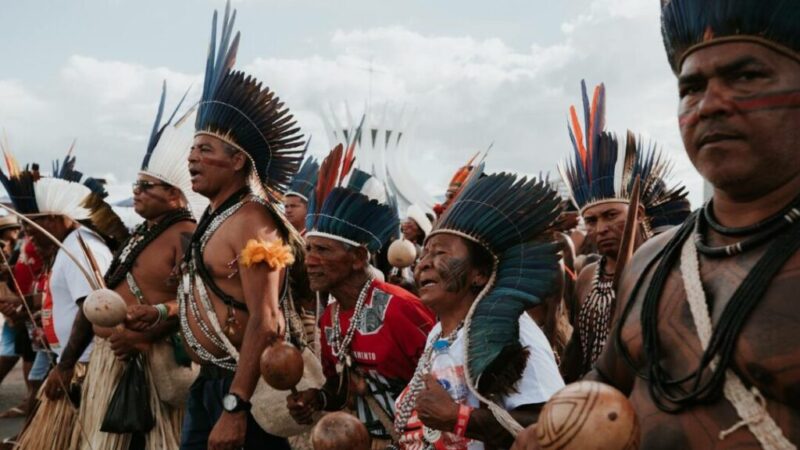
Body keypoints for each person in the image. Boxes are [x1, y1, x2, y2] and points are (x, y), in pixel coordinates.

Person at [513, 1, 800, 449]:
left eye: (745, 77)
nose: (710, 105)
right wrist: (549, 430)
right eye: (691, 88)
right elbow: (608, 380)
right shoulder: (653, 261)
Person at [178, 3, 307, 449]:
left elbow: (267, 321)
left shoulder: (253, 221)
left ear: (237, 161)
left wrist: (236, 407)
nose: (192, 157)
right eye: (193, 148)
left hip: (242, 389)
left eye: (205, 148)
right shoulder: (217, 215)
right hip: (211, 383)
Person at [393, 166, 565, 450]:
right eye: (424, 253)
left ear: (480, 274)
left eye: (440, 253)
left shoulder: (509, 328)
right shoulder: (437, 333)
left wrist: (458, 418)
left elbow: (551, 421)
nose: (423, 263)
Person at [71, 85, 203, 450]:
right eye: (136, 185)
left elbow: (198, 305)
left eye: (147, 185)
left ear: (176, 193)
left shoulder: (187, 235)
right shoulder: (142, 233)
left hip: (153, 362)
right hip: (111, 361)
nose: (138, 191)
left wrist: (146, 335)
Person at [287, 144, 436, 448]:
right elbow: (340, 389)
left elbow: (447, 384)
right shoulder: (330, 318)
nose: (310, 261)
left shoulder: (399, 308)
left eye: (323, 250)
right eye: (309, 250)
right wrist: (318, 398)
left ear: (357, 257)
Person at [557, 80, 689, 382]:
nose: (600, 228)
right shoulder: (587, 277)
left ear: (638, 213)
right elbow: (578, 348)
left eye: (611, 216)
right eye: (591, 221)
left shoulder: (667, 267)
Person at [0, 165, 116, 449]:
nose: (29, 236)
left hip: (84, 367)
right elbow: (66, 297)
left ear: (53, 219)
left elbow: (93, 308)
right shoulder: (69, 246)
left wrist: (65, 366)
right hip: (74, 363)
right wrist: (23, 303)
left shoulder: (79, 248)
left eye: (31, 227)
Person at [284, 155, 319, 236]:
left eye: (293, 206)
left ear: (308, 208)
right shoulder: (281, 232)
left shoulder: (314, 237)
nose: (288, 210)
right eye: (286, 206)